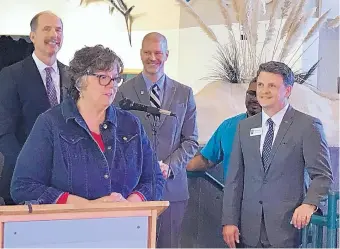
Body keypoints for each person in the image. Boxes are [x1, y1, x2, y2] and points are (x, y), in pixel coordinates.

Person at [10, 45, 165, 205]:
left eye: (115, 78)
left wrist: (127, 205)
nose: (112, 85)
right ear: (79, 82)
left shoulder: (131, 124)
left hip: (125, 224)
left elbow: (154, 180)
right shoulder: (50, 123)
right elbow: (23, 186)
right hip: (70, 226)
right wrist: (87, 206)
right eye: (103, 77)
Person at [222, 61, 333, 248]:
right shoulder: (244, 127)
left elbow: (323, 176)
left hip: (288, 229)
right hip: (248, 231)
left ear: (287, 90)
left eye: (272, 85)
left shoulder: (307, 126)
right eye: (260, 85)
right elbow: (234, 178)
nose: (264, 91)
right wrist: (229, 220)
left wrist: (309, 204)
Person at [114, 32, 198, 248]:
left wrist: (169, 166)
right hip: (133, 188)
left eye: (158, 53)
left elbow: (191, 140)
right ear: (140, 54)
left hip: (173, 188)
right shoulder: (121, 93)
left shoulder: (184, 94)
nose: (152, 58)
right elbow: (115, 140)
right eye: (147, 53)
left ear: (167, 55)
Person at [0, 11, 69, 205]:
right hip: (23, 183)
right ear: (32, 36)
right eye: (47, 29)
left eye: (58, 30)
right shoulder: (11, 75)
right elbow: (4, 132)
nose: (54, 35)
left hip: (64, 186)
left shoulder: (72, 76)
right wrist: (29, 166)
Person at [187, 77, 261, 179]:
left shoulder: (281, 129)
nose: (255, 99)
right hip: (233, 193)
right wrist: (173, 166)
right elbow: (206, 160)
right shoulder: (229, 126)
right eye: (251, 93)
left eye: (261, 95)